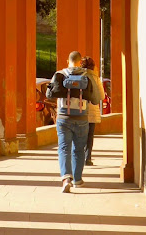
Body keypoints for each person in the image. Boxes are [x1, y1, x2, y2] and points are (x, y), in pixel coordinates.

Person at [46, 51, 101, 192]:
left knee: (64, 148)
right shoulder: (87, 75)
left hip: (63, 117)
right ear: (80, 61)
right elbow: (96, 98)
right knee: (79, 149)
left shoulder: (59, 74)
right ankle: (77, 179)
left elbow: (49, 94)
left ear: (67, 61)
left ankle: (66, 179)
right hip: (82, 118)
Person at [79, 56, 104, 166]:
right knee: (89, 136)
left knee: (79, 135)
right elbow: (102, 96)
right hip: (92, 111)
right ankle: (87, 158)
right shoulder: (95, 78)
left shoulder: (77, 76)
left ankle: (77, 157)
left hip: (79, 110)